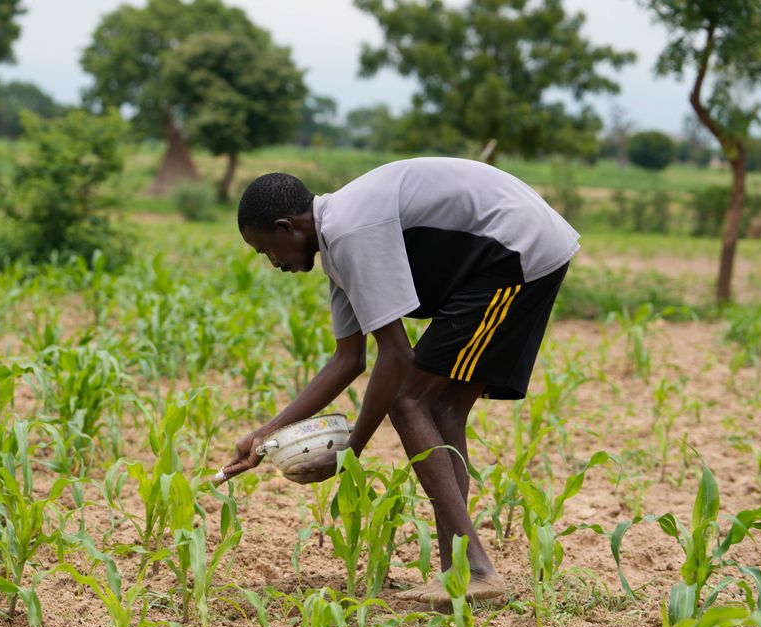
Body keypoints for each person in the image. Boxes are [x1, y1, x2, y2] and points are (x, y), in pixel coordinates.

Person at [220, 157, 579, 604]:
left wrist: (352, 449)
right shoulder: (337, 242)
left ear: (286, 226)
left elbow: (394, 355)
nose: (272, 262)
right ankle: (458, 573)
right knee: (441, 410)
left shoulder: (349, 231)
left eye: (266, 250)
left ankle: (476, 570)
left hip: (513, 248)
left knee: (407, 401)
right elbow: (347, 360)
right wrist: (263, 435)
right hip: (503, 252)